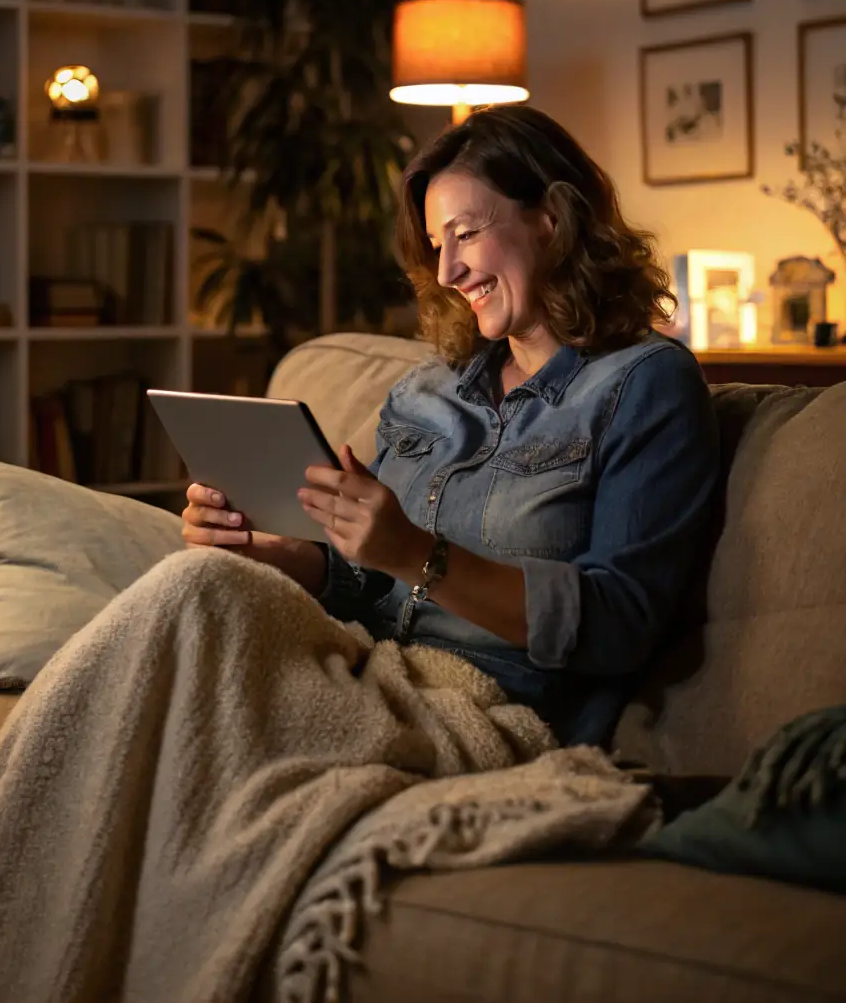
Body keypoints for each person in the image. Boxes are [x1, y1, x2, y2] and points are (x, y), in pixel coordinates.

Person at [183, 105, 721, 746]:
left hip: (492, 710)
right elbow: (367, 579)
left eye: (464, 234)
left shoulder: (644, 384)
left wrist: (417, 553)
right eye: (439, 247)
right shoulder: (427, 389)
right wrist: (269, 555)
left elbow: (619, 625)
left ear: (552, 219)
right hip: (369, 670)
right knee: (190, 591)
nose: (446, 273)